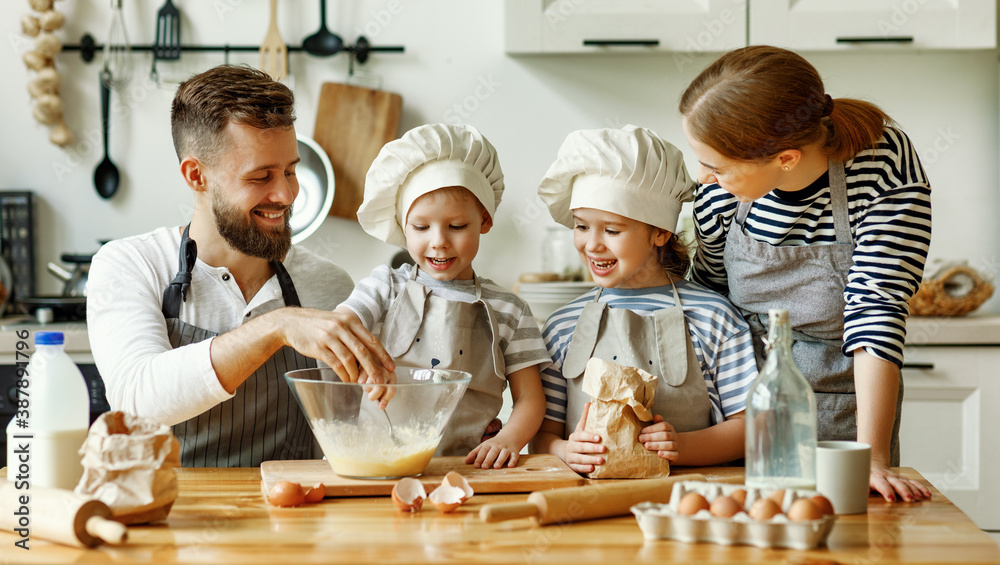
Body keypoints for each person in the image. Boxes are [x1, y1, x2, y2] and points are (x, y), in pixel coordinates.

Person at [87, 65, 394, 468]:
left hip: (296, 517)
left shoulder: (328, 285)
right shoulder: (131, 265)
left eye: (289, 170)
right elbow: (138, 401)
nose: (286, 194)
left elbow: (360, 425)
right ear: (197, 175)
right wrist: (277, 327)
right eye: (260, 176)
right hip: (170, 520)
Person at [679, 45, 933, 503]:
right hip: (737, 405)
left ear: (786, 159)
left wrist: (870, 458)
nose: (701, 178)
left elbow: (876, 308)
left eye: (715, 166)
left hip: (842, 409)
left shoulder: (881, 163)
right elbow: (709, 295)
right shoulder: (718, 194)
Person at [529, 125, 759, 474]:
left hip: (688, 501)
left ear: (660, 232)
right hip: (591, 507)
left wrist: (683, 446)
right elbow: (544, 434)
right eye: (581, 226)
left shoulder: (714, 317)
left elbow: (752, 427)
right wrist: (563, 449)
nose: (592, 244)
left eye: (612, 230)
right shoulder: (563, 325)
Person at [340, 123, 550, 468]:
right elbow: (342, 328)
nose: (438, 241)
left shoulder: (510, 309)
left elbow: (530, 397)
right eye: (421, 227)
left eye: (456, 226)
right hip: (379, 463)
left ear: (484, 219)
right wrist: (367, 367)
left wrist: (508, 439)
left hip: (467, 466)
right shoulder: (383, 287)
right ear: (401, 225)